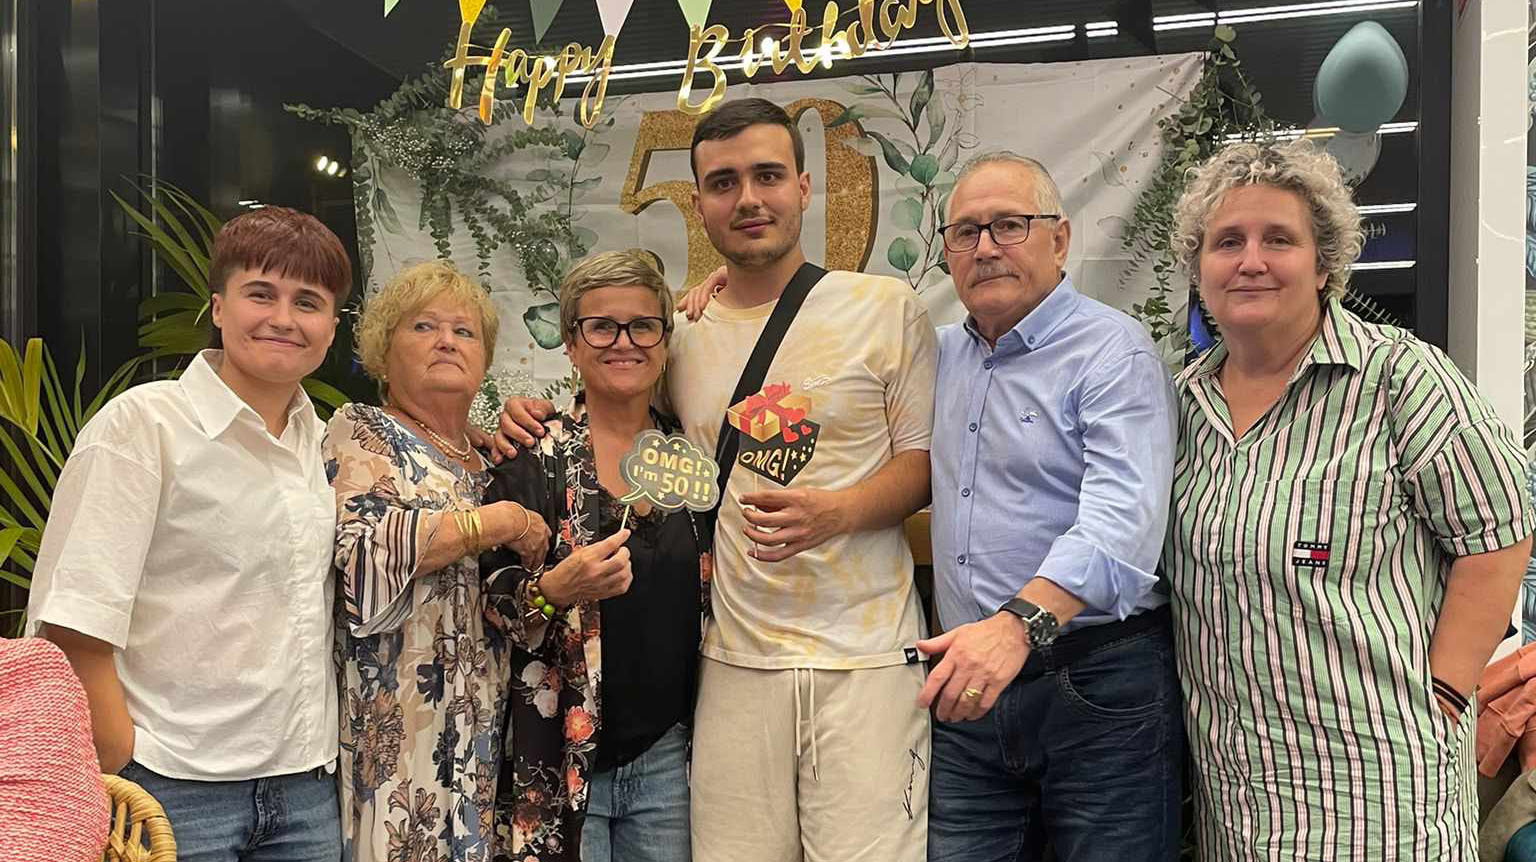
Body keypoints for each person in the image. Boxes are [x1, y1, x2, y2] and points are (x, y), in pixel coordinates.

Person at [497, 97, 939, 862]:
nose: (749, 198)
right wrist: (522, 414)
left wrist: (838, 512)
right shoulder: (684, 334)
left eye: (768, 175)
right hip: (733, 666)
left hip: (865, 657)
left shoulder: (885, 308)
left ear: (804, 186)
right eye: (724, 182)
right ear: (698, 204)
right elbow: (616, 403)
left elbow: (924, 466)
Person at [1165, 138, 1534, 860]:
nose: (1250, 260)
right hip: (1237, 798)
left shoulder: (1400, 380)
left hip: (1380, 793)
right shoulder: (1179, 406)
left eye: (1279, 239)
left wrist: (1447, 692)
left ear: (1324, 263)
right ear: (1199, 268)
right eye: (1227, 241)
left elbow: (1499, 536)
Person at [25, 206, 352, 862]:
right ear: (218, 307)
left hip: (306, 791)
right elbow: (76, 620)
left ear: (332, 327)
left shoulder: (329, 443)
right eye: (260, 293)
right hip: (174, 786)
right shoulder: (144, 427)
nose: (284, 318)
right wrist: (121, 758)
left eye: (307, 302)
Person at [911, 151, 1182, 862]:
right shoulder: (935, 356)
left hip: (1098, 684)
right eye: (966, 232)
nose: (986, 247)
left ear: (1058, 239)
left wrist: (1015, 627)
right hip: (970, 689)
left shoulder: (1113, 354)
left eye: (1009, 225)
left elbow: (1123, 523)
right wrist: (726, 295)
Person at [325, 260, 549, 862]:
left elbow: (518, 607)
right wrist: (500, 522)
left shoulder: (494, 458)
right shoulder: (362, 429)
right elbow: (363, 555)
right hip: (399, 738)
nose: (447, 340)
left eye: (464, 331)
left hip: (487, 730)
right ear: (383, 350)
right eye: (424, 326)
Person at [480, 250, 700, 862]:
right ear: (572, 345)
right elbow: (490, 600)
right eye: (602, 327)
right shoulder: (533, 456)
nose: (623, 342)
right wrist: (556, 589)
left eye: (642, 326)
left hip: (669, 755)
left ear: (664, 341)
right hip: (557, 755)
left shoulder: (689, 455)